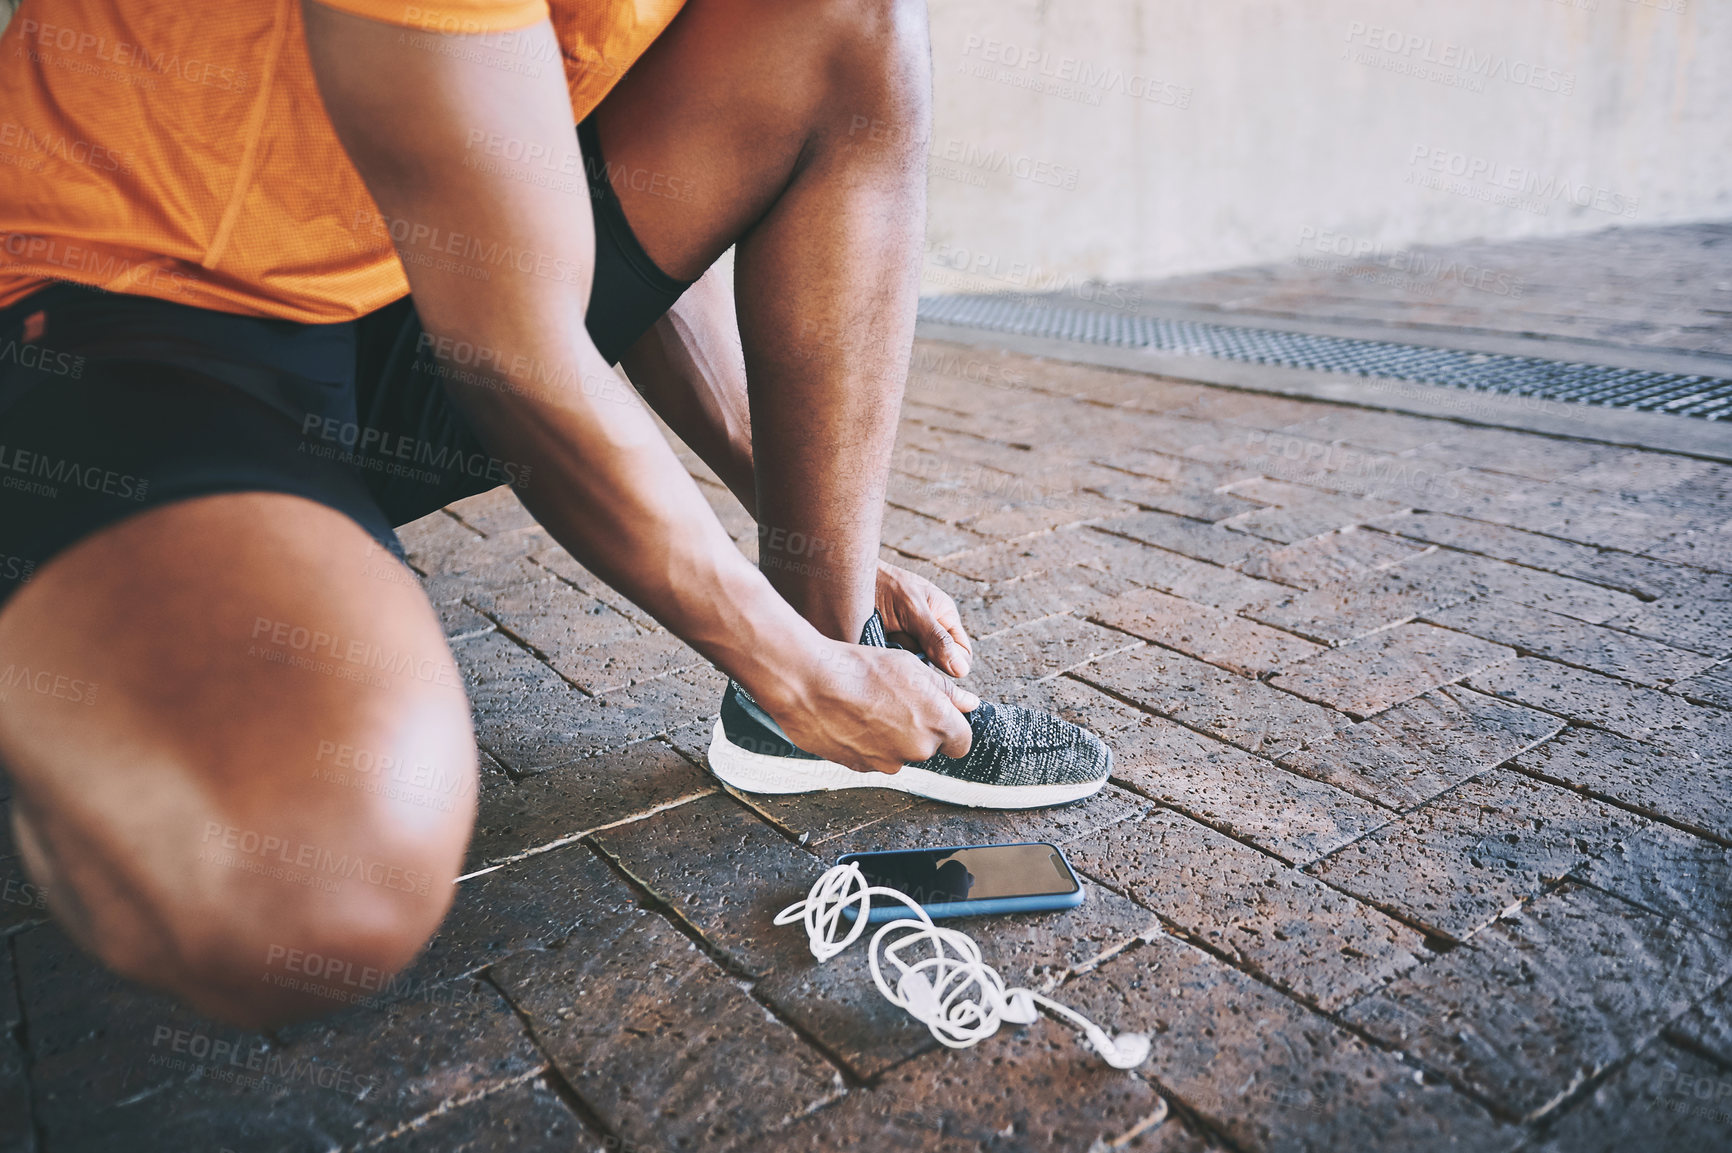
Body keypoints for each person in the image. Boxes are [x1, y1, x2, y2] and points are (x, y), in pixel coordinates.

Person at [0, 0, 1109, 1027]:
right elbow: (518, 353)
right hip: (123, 313)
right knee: (305, 870)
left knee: (839, 18)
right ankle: (96, 613)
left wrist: (803, 544)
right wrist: (797, 676)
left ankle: (817, 667)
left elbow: (555, 226)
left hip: (401, 280)